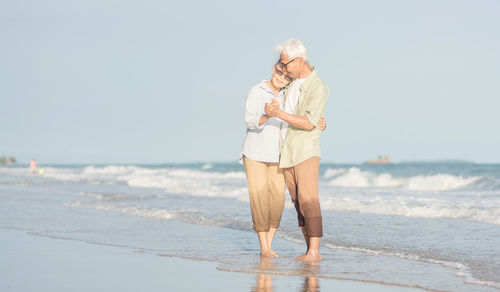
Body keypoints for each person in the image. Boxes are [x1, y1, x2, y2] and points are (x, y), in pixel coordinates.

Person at [239, 61, 326, 258]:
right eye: (280, 72)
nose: (281, 78)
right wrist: (267, 115)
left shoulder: (288, 93)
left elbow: (302, 115)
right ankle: (265, 249)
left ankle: (269, 247)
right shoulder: (257, 91)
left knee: (278, 202)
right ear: (273, 69)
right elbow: (250, 121)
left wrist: (319, 122)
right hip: (255, 154)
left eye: (287, 76)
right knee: (259, 200)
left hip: (280, 156)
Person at [265, 39, 329, 262]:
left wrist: (279, 114)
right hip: (287, 151)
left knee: (308, 198)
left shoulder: (317, 86)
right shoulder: (291, 83)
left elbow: (309, 122)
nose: (284, 67)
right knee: (298, 202)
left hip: (305, 149)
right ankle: (308, 249)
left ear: (300, 60)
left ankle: (315, 252)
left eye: (287, 63)